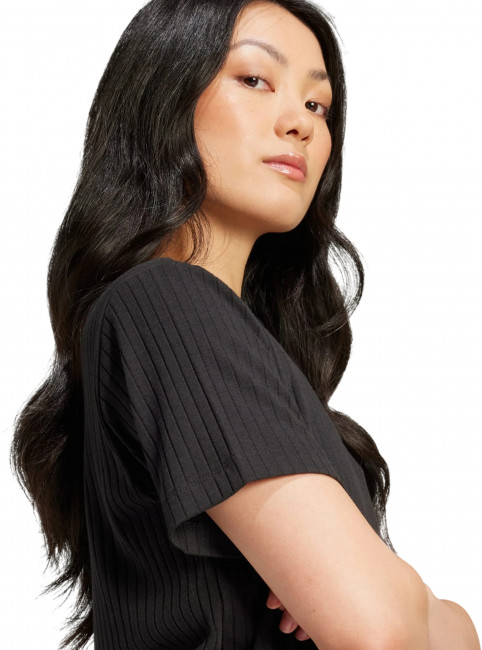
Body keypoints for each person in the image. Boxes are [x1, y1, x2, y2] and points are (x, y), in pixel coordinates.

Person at [10, 0, 480, 648]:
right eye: (255, 79)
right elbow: (385, 631)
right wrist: (417, 601)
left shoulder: (237, 351)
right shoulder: (164, 303)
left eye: (318, 105)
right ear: (165, 94)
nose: (300, 123)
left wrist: (396, 595)